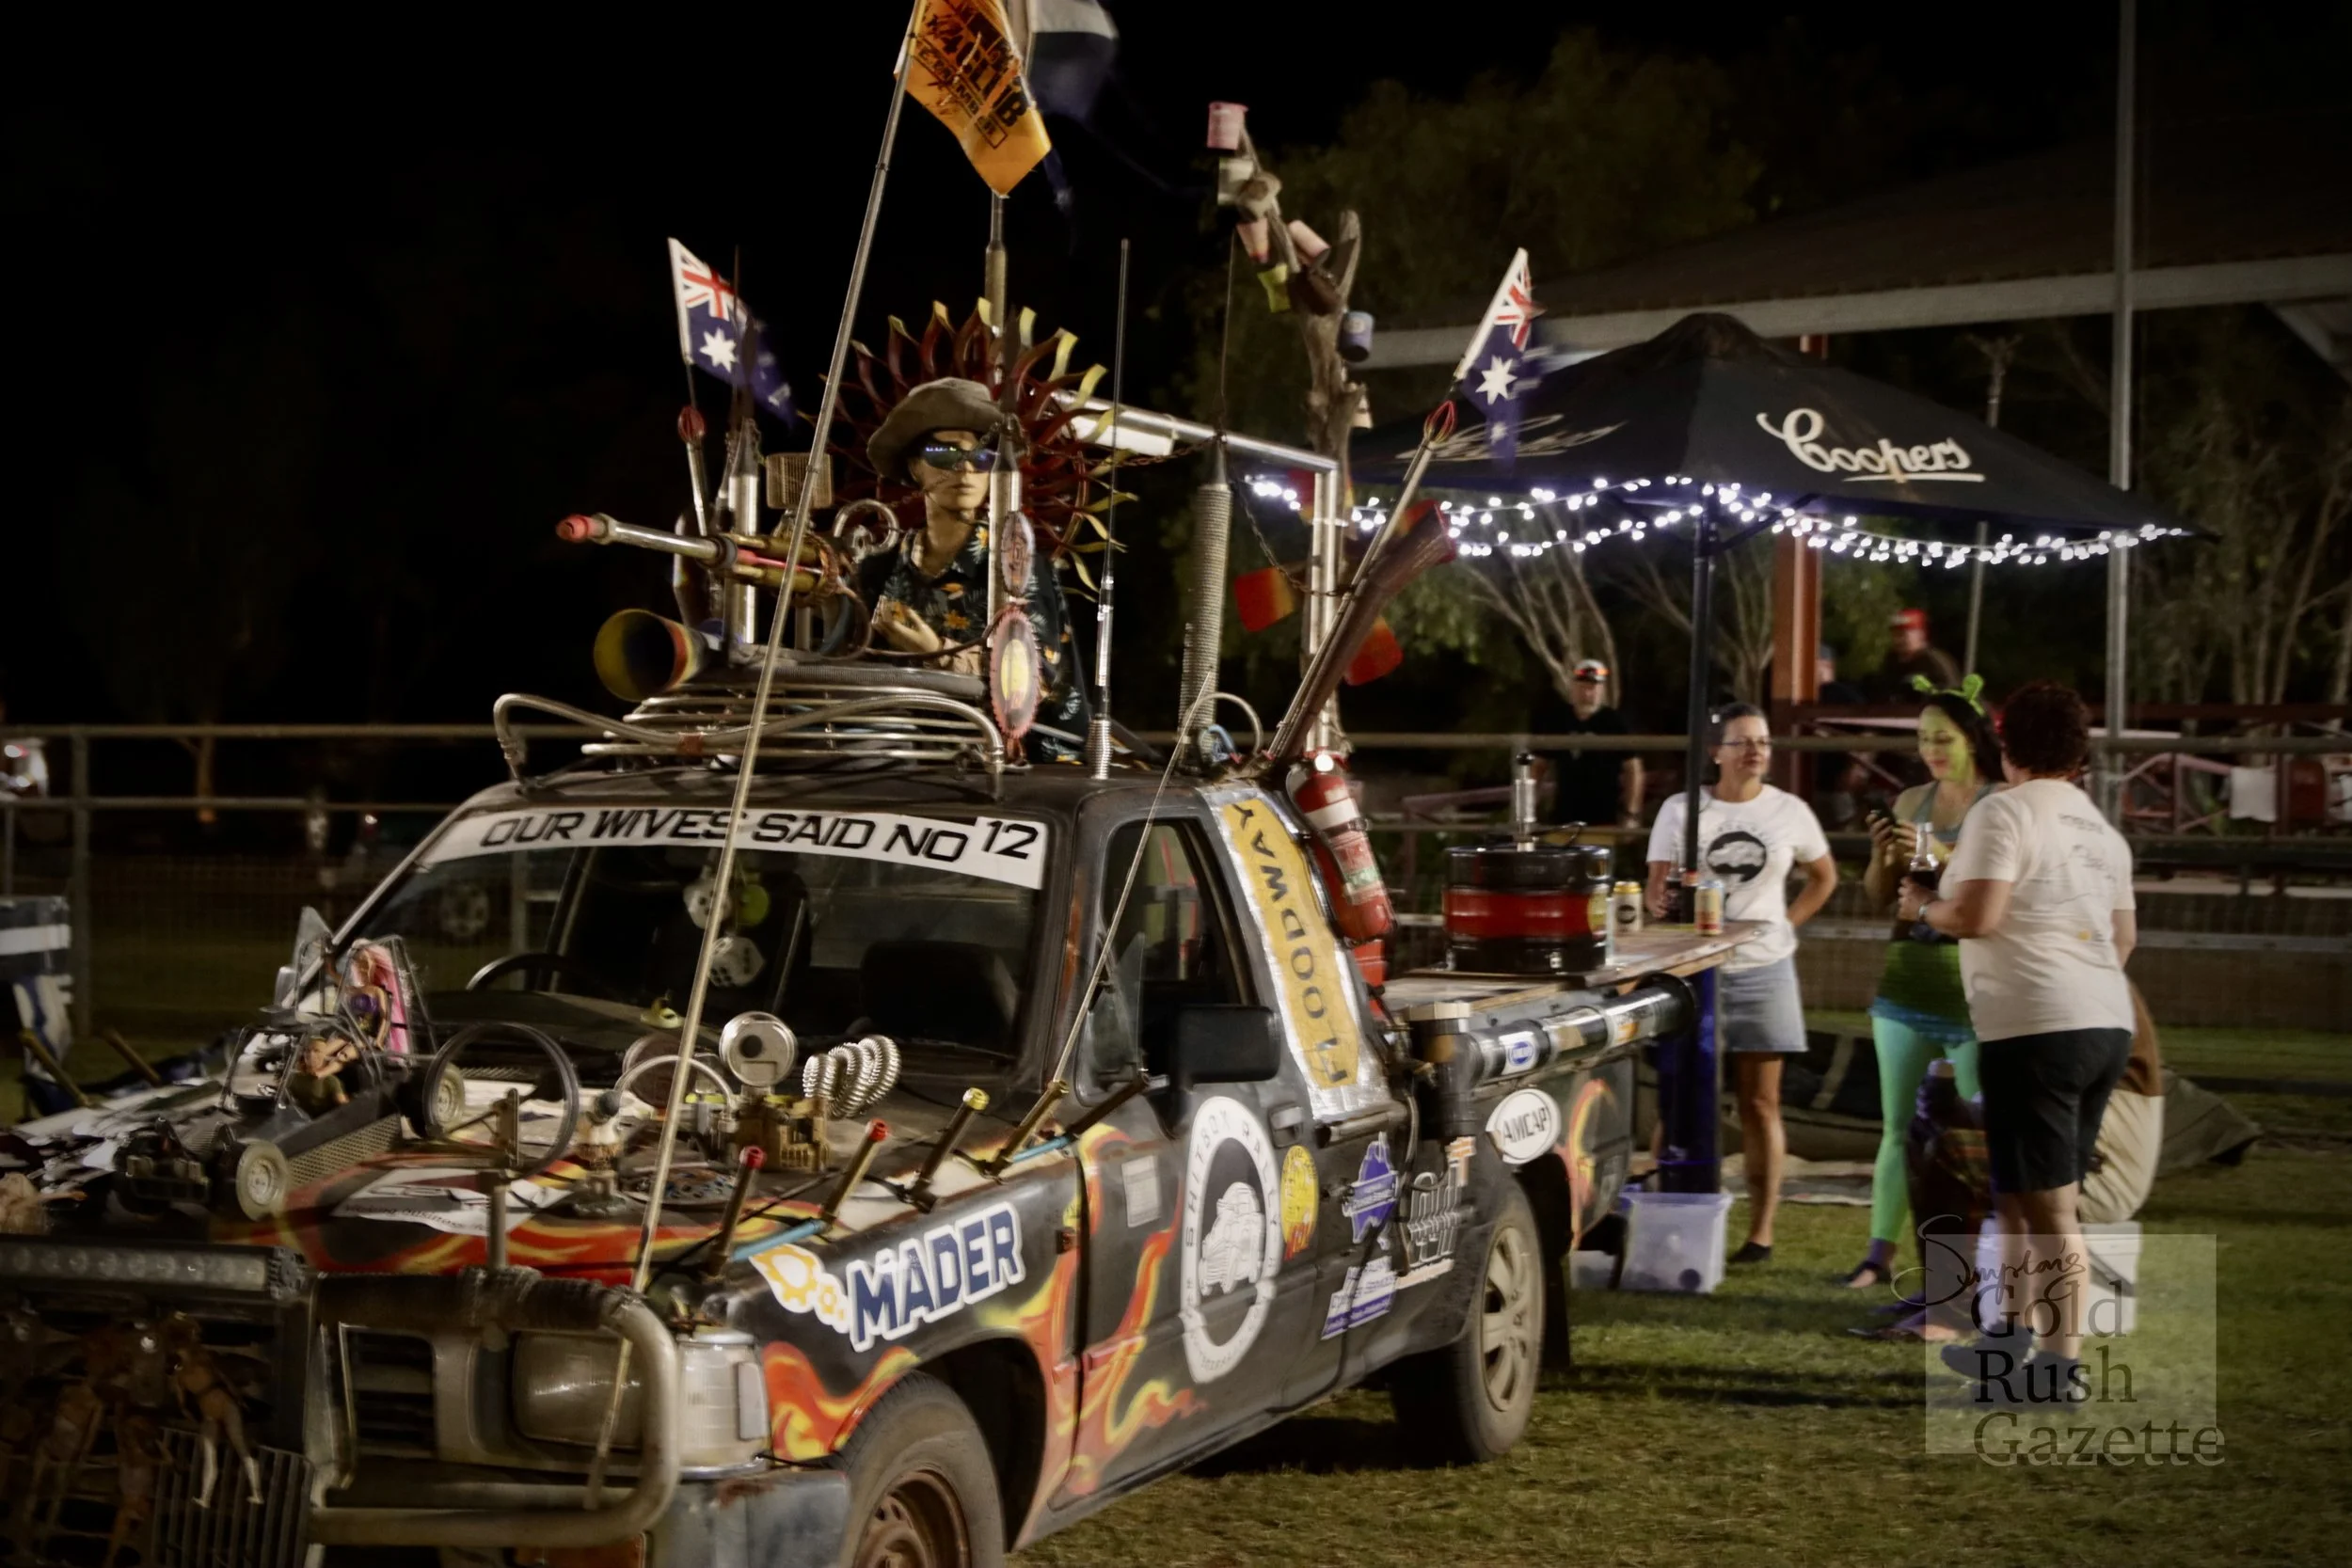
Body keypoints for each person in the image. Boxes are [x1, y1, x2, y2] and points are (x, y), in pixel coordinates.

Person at [1899, 682, 2137, 1395]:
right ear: (2078, 753)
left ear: (2006, 747)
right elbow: (2124, 937)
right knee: (2016, 1194)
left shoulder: (2002, 810)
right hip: (2102, 1019)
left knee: (2050, 1208)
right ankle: (2005, 1343)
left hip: (2036, 1028)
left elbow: (1977, 916)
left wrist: (1923, 905)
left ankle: (2058, 1370)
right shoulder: (2100, 829)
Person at [1645, 705, 1838, 1265]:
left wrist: (1786, 924)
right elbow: (1656, 888)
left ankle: (1761, 1231)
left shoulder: (1789, 810)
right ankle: (1668, 1215)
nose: (1756, 751)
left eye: (1763, 742)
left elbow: (1824, 876)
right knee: (1679, 1100)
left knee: (1760, 1102)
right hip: (1694, 968)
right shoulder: (1682, 809)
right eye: (1742, 741)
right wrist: (1665, 904)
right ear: (1715, 751)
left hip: (1763, 968)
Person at [1845, 673, 2002, 1296]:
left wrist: (1938, 857)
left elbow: (1989, 894)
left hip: (1973, 988)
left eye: (1943, 737)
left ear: (1972, 738)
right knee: (1893, 1128)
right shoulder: (1912, 800)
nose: (1931, 749)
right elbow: (1881, 896)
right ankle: (1876, 1256)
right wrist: (1884, 854)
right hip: (1906, 981)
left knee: (1970, 1134)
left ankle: (1972, 1264)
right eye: (1923, 738)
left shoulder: (1999, 803)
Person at [860, 377, 1090, 758]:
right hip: (897, 758)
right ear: (915, 467)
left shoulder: (1018, 567)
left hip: (1007, 767)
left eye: (982, 457)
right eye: (943, 454)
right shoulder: (879, 570)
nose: (965, 468)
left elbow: (1036, 682)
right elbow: (845, 661)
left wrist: (935, 652)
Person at [1550, 657, 1644, 831]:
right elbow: (1538, 766)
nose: (1587, 693)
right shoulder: (1558, 720)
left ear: (1601, 690)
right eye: (1582, 687)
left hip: (1604, 817)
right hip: (1563, 817)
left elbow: (1634, 770)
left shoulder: (1615, 722)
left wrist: (1631, 814)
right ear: (1573, 687)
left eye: (1592, 688)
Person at [1869, 609, 1961, 700]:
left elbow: (1952, 693)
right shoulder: (1892, 660)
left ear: (1921, 634)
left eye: (1903, 635)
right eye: (1895, 635)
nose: (1898, 640)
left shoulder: (1935, 662)